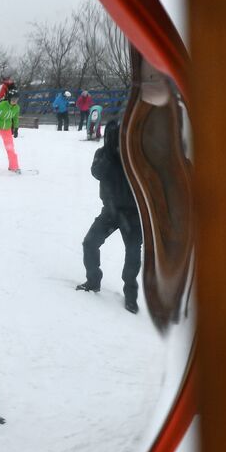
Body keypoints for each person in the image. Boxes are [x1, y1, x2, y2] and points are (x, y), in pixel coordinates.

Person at [76, 120, 142, 313]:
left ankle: (131, 296)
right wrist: (111, 153)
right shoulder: (103, 154)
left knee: (132, 252)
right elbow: (96, 172)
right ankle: (93, 280)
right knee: (90, 243)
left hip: (133, 213)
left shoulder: (137, 156)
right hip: (111, 211)